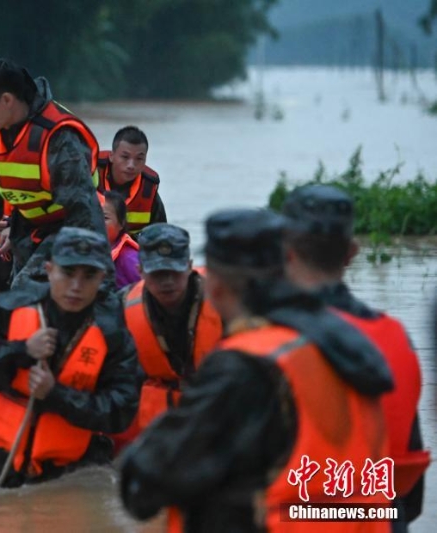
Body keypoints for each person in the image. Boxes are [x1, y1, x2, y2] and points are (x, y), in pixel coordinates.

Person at [120, 209, 394, 532]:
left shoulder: (240, 365)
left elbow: (141, 489)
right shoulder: (348, 342)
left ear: (214, 284)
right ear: (289, 265)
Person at [282, 184, 428, 530]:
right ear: (352, 252)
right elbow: (410, 484)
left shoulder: (263, 340)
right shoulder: (397, 338)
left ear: (284, 251)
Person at [0, 227, 139, 487]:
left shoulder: (113, 329)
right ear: (50, 269)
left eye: (88, 275)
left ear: (102, 277)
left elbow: (122, 411)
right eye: (68, 273)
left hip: (75, 471)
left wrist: (56, 395)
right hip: (8, 462)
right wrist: (21, 351)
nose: (76, 286)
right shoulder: (14, 306)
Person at [0, 57, 108, 290]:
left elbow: (84, 214)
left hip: (69, 227)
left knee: (25, 292)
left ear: (7, 100)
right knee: (20, 297)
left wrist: (96, 280)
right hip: (26, 226)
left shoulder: (58, 137)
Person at [121, 223, 222, 432]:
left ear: (189, 266)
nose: (167, 281)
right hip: (160, 426)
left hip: (218, 412)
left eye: (174, 271)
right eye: (158, 273)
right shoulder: (121, 305)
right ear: (140, 271)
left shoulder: (225, 301)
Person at [97, 126, 166, 235]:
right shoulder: (89, 175)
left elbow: (161, 235)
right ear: (111, 156)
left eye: (139, 158)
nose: (131, 165)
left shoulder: (148, 191)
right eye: (125, 157)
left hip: (132, 245)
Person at [103, 191, 140, 289]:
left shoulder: (130, 259)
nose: (97, 222)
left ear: (121, 223)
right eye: (94, 216)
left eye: (105, 218)